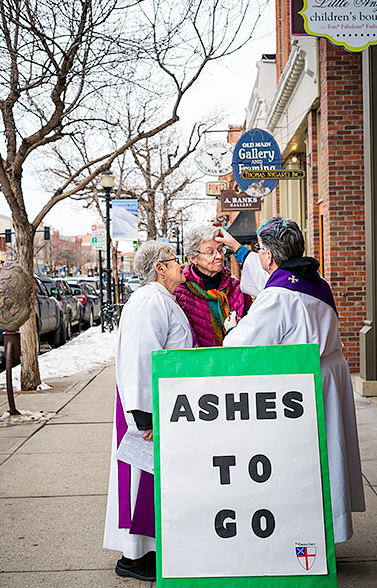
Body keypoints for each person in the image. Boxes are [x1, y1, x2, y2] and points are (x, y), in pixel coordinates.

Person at [217, 217, 365, 543]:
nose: (257, 256)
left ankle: (307, 537)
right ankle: (328, 528)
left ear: (269, 256)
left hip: (305, 385)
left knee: (307, 459)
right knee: (330, 453)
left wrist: (231, 328)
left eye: (258, 250)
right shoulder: (314, 279)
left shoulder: (281, 295)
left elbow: (242, 344)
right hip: (327, 373)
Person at [103, 241, 193, 581]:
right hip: (145, 406)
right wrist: (145, 414)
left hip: (159, 401)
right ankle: (134, 556)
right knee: (141, 478)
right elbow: (142, 356)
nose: (181, 265)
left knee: (152, 480)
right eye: (175, 260)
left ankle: (148, 549)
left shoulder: (161, 300)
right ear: (160, 267)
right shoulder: (149, 301)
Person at [174, 225, 252, 346]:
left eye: (220, 250)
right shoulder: (180, 292)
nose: (219, 256)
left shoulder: (238, 287)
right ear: (193, 258)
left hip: (238, 360)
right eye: (210, 252)